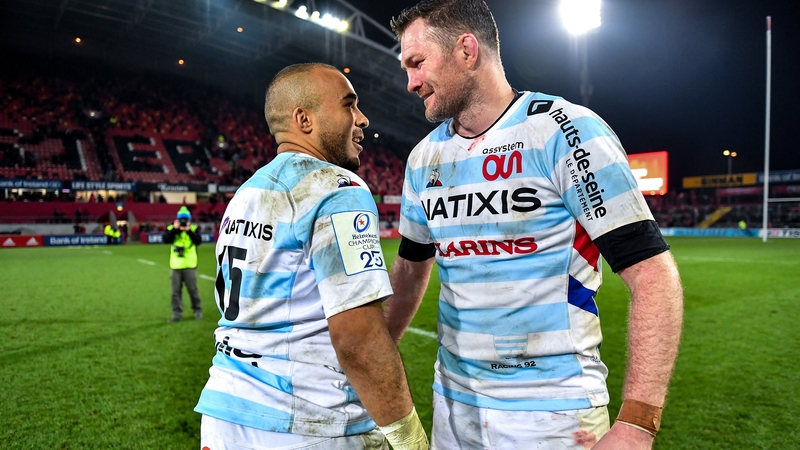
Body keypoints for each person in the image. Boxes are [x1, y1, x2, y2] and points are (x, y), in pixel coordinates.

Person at [385, 1, 684, 449]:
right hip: (453, 406)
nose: (410, 82)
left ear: (467, 50)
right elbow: (410, 268)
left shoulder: (567, 132)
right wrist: (375, 354)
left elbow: (653, 274)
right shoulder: (424, 158)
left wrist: (639, 422)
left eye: (417, 63)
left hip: (553, 412)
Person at [194, 63, 428, 450]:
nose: (363, 119)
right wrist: (410, 439)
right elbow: (358, 338)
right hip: (306, 421)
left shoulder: (246, 194)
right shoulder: (335, 187)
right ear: (304, 119)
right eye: (349, 106)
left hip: (226, 414)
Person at [163, 206, 203, 322]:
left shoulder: (193, 229)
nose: (184, 222)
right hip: (176, 266)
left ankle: (197, 310)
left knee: (193, 291)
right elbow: (166, 239)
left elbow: (198, 241)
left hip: (190, 266)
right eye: (182, 219)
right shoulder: (172, 228)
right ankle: (177, 314)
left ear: (189, 220)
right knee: (175, 293)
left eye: (186, 219)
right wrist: (175, 229)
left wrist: (189, 231)